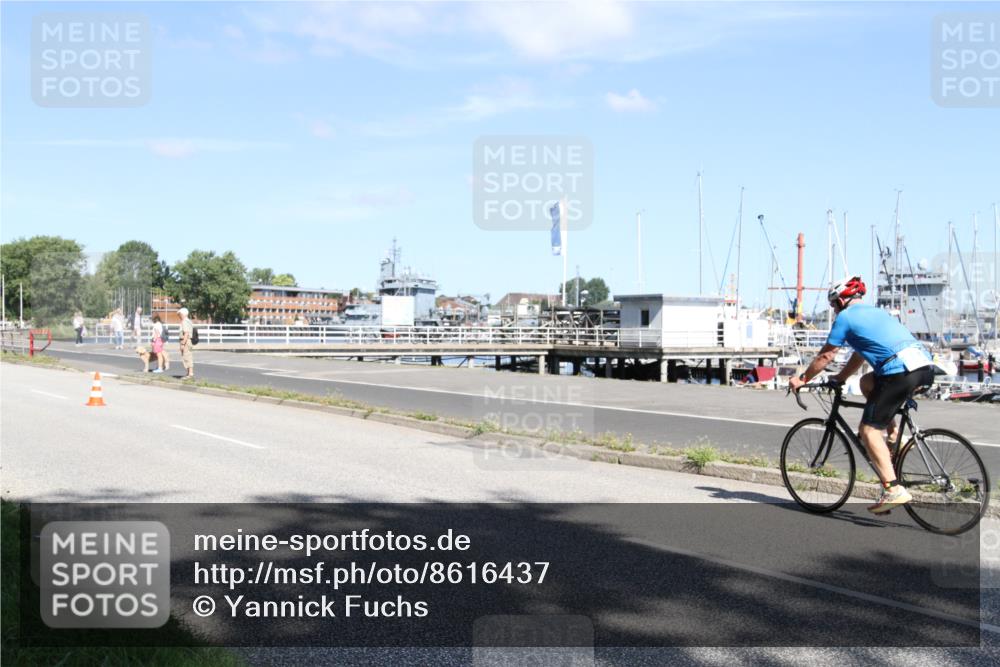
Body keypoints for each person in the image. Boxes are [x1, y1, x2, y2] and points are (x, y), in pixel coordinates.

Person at [789, 276, 935, 514]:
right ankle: (894, 432)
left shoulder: (845, 317)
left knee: (867, 431)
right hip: (923, 369)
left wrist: (802, 379)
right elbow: (860, 354)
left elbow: (826, 356)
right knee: (867, 382)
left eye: (834, 304)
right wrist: (841, 378)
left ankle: (893, 488)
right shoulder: (876, 313)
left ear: (843, 300)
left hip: (897, 373)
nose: (834, 310)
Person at [178, 307, 194, 379]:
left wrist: (182, 343)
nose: (179, 316)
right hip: (188, 341)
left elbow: (186, 333)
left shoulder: (184, 321)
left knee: (187, 356)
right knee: (187, 356)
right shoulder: (188, 321)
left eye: (179, 314)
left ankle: (190, 373)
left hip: (186, 341)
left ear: (183, 314)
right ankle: (188, 373)